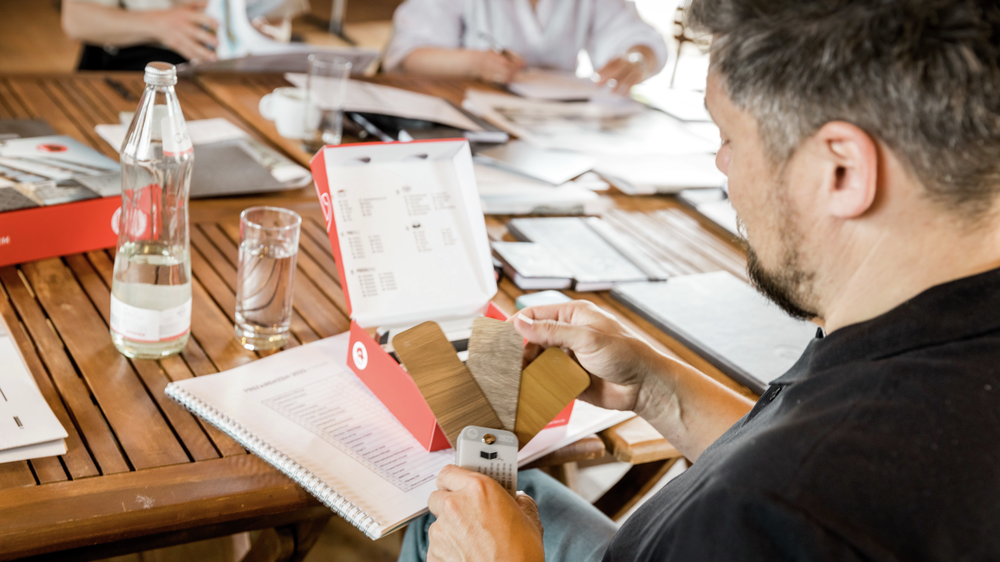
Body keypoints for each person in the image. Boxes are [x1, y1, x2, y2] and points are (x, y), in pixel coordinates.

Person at [399, 0, 1000, 560]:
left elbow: (779, 487)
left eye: (729, 138)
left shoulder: (763, 510)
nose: (721, 166)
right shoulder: (924, 333)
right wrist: (655, 388)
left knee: (443, 518)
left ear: (841, 170)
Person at [383, 0, 669, 94]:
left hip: (555, 129)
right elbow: (408, 54)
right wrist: (474, 62)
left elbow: (638, 38)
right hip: (462, 121)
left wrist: (637, 59)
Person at [61, 0, 307, 71]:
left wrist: (269, 35)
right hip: (134, 63)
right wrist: (158, 24)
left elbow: (280, 18)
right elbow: (75, 19)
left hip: (228, 69)